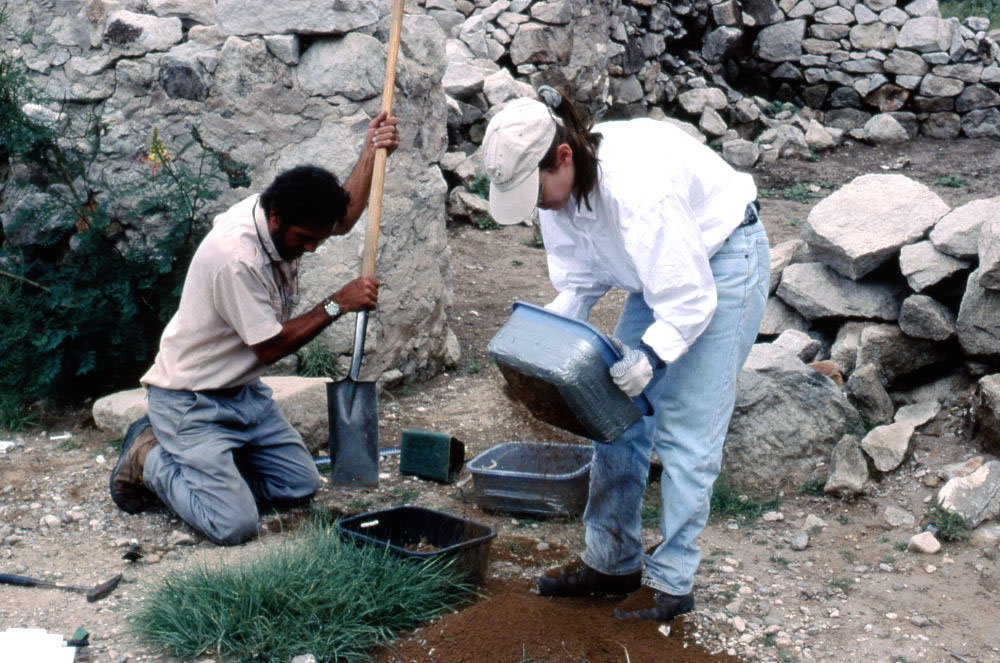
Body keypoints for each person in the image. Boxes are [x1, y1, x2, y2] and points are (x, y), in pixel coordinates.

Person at [482, 88, 769, 621]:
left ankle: (673, 581)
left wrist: (651, 359)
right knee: (615, 417)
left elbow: (688, 299)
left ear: (563, 155)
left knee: (686, 425)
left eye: (537, 190)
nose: (538, 204)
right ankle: (612, 560)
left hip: (721, 261)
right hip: (657, 271)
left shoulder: (638, 188)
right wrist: (535, 346)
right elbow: (580, 283)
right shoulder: (556, 192)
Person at [109, 112, 400, 546]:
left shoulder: (286, 217)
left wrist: (370, 151)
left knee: (299, 486)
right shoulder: (236, 256)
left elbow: (345, 217)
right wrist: (338, 303)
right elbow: (269, 348)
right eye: (305, 238)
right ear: (277, 218)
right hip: (191, 401)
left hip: (243, 397)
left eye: (317, 239)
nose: (313, 247)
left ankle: (215, 473)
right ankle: (150, 457)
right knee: (234, 526)